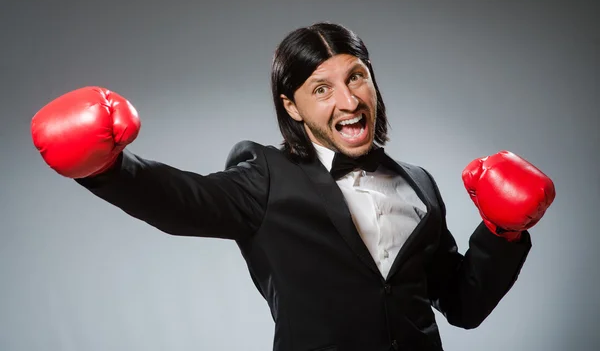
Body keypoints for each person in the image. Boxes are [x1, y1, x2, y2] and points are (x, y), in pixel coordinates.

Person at [30, 22, 555, 351]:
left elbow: (461, 307)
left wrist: (500, 234)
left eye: (356, 77)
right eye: (320, 88)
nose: (348, 102)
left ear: (372, 79)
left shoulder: (419, 184)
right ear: (292, 106)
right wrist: (107, 168)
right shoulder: (265, 176)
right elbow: (182, 201)